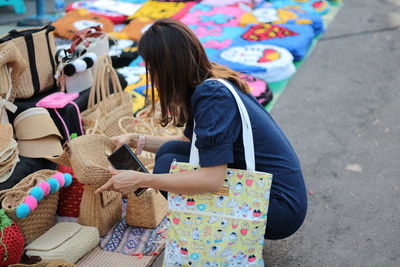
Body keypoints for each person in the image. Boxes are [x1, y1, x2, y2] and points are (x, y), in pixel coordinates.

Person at [95, 18, 307, 240]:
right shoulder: (210, 81)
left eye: (152, 70)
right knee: (170, 154)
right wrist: (136, 139)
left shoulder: (212, 98)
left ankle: (220, 239)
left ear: (166, 69)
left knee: (167, 165)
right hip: (277, 192)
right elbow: (192, 145)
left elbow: (211, 179)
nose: (153, 80)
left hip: (279, 207)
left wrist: (140, 179)